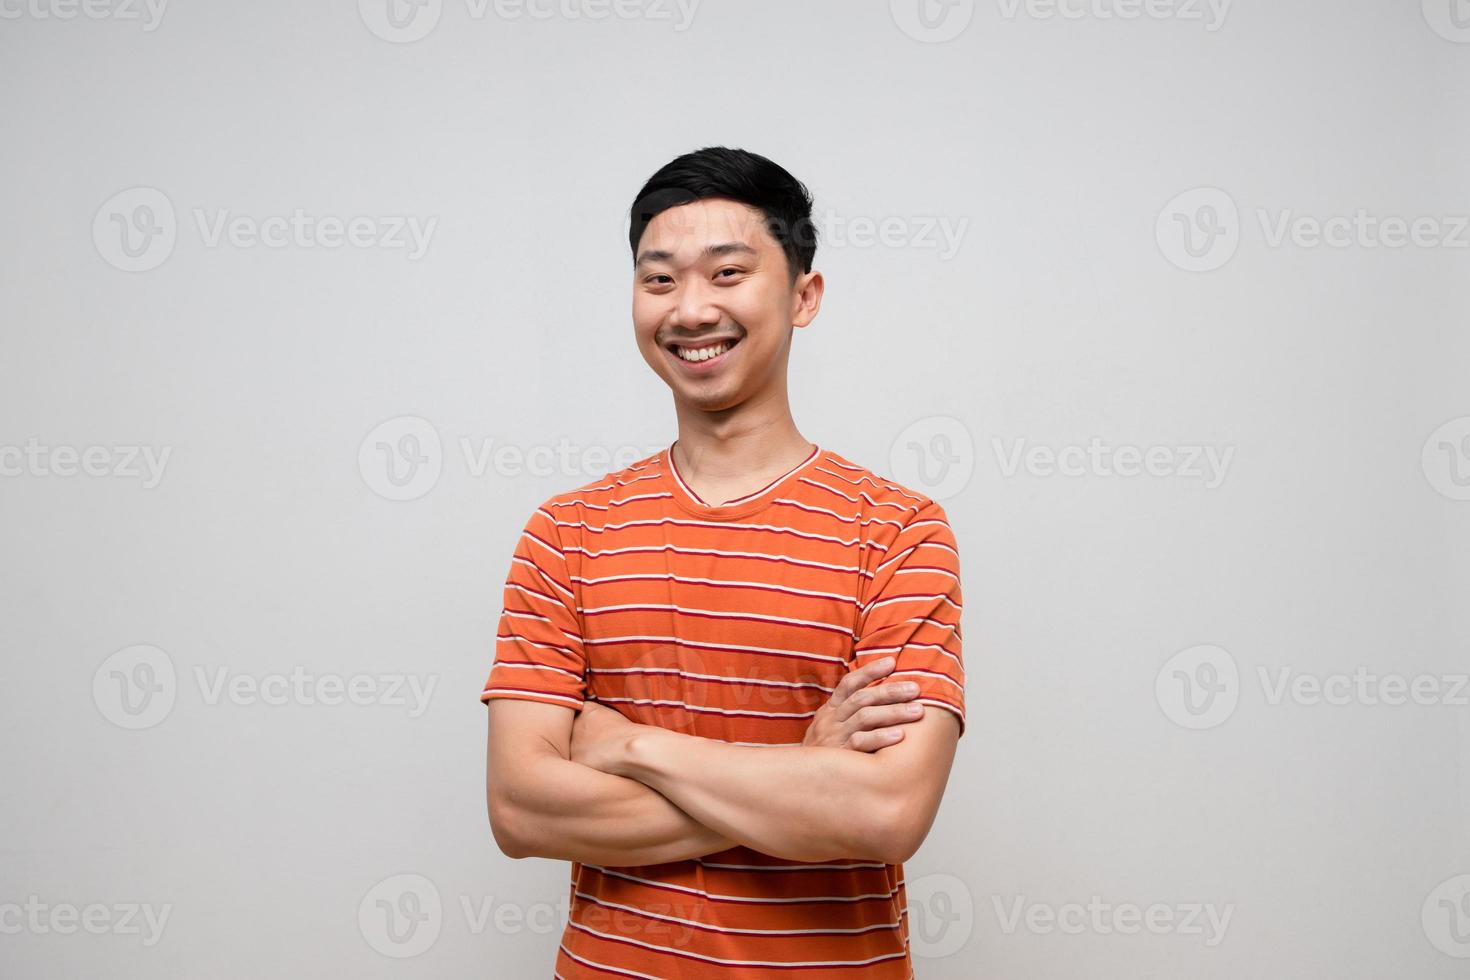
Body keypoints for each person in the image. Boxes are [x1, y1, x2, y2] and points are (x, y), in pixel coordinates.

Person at [482, 146, 965, 979]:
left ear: (803, 295)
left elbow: (885, 812)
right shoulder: (567, 532)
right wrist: (800, 775)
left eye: (728, 272)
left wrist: (630, 748)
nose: (691, 309)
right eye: (659, 280)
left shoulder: (899, 532)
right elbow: (521, 811)